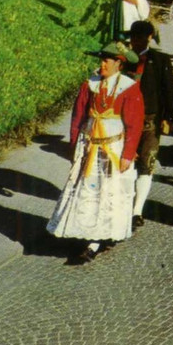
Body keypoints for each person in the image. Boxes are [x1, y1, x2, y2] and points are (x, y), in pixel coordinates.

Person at [46, 41, 144, 263]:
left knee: (108, 192)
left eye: (106, 60)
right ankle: (84, 231)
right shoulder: (89, 84)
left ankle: (96, 241)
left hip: (113, 150)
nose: (102, 64)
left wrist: (128, 154)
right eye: (101, 59)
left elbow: (134, 124)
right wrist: (74, 145)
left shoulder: (128, 88)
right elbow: (78, 116)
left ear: (119, 63)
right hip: (89, 147)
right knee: (87, 191)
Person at [128, 21, 173, 229]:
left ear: (149, 37)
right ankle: (124, 205)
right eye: (133, 37)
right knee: (126, 163)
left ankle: (137, 210)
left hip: (151, 118)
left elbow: (168, 89)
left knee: (147, 164)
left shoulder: (160, 59)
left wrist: (169, 116)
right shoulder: (122, 59)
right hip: (125, 120)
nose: (136, 41)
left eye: (141, 37)